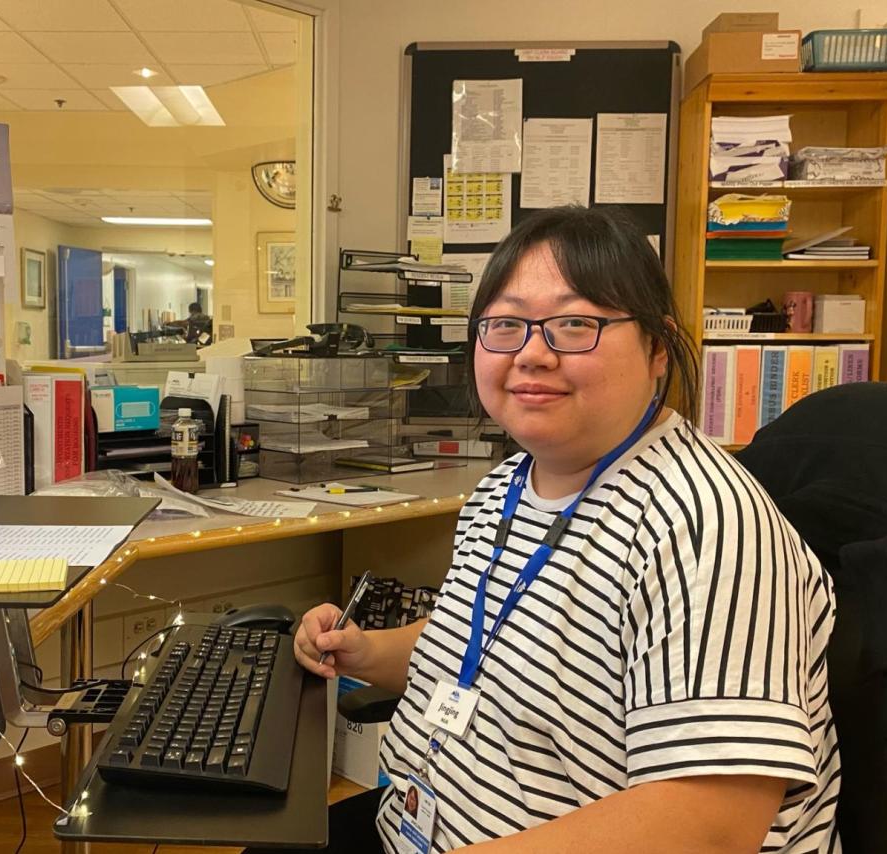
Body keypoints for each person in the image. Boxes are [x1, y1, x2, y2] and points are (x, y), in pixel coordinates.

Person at [286, 206, 840, 853]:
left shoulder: (704, 525)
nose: (531, 354)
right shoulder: (508, 485)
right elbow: (484, 649)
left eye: (574, 324)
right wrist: (367, 651)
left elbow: (708, 825)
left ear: (658, 347)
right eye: (505, 325)